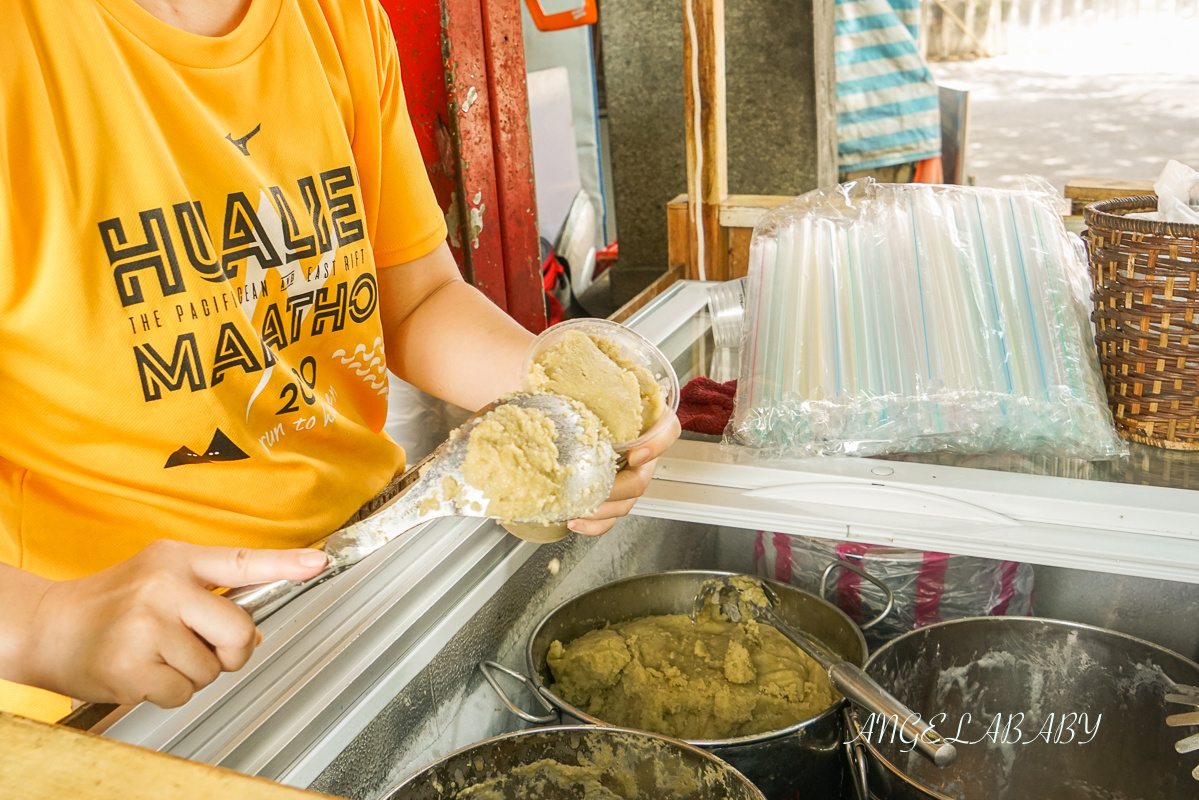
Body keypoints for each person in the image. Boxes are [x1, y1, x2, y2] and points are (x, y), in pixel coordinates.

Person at [0, 0, 679, 722]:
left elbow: (414, 300)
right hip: (127, 680)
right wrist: (46, 623)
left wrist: (568, 401)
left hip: (362, 574)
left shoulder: (337, 17)